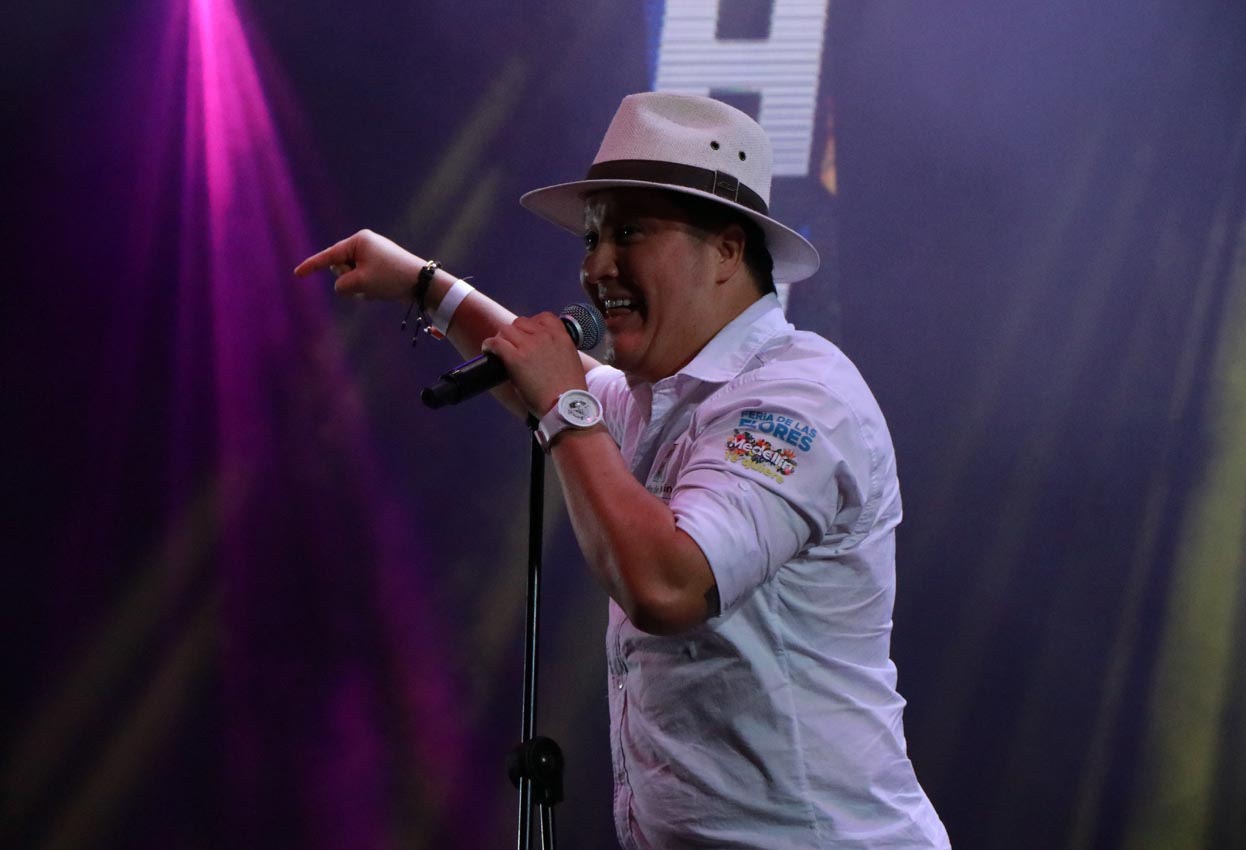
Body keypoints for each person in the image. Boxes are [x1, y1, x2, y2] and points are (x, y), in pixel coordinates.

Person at [296, 92, 949, 850]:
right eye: (592, 236)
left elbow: (667, 586)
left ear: (727, 250)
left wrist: (564, 407)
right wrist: (425, 284)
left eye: (630, 232)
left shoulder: (797, 398)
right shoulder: (660, 396)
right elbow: (545, 372)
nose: (595, 266)